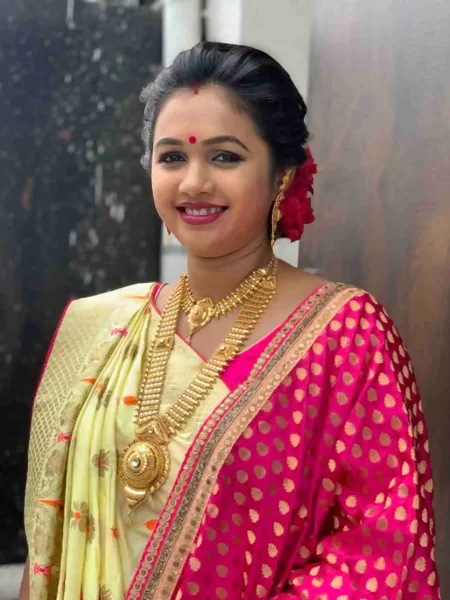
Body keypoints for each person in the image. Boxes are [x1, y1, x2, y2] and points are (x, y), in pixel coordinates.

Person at [21, 42, 440, 600]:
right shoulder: (105, 327)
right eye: (172, 157)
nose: (193, 183)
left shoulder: (346, 334)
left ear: (282, 175)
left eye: (224, 157)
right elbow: (49, 543)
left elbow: (378, 556)